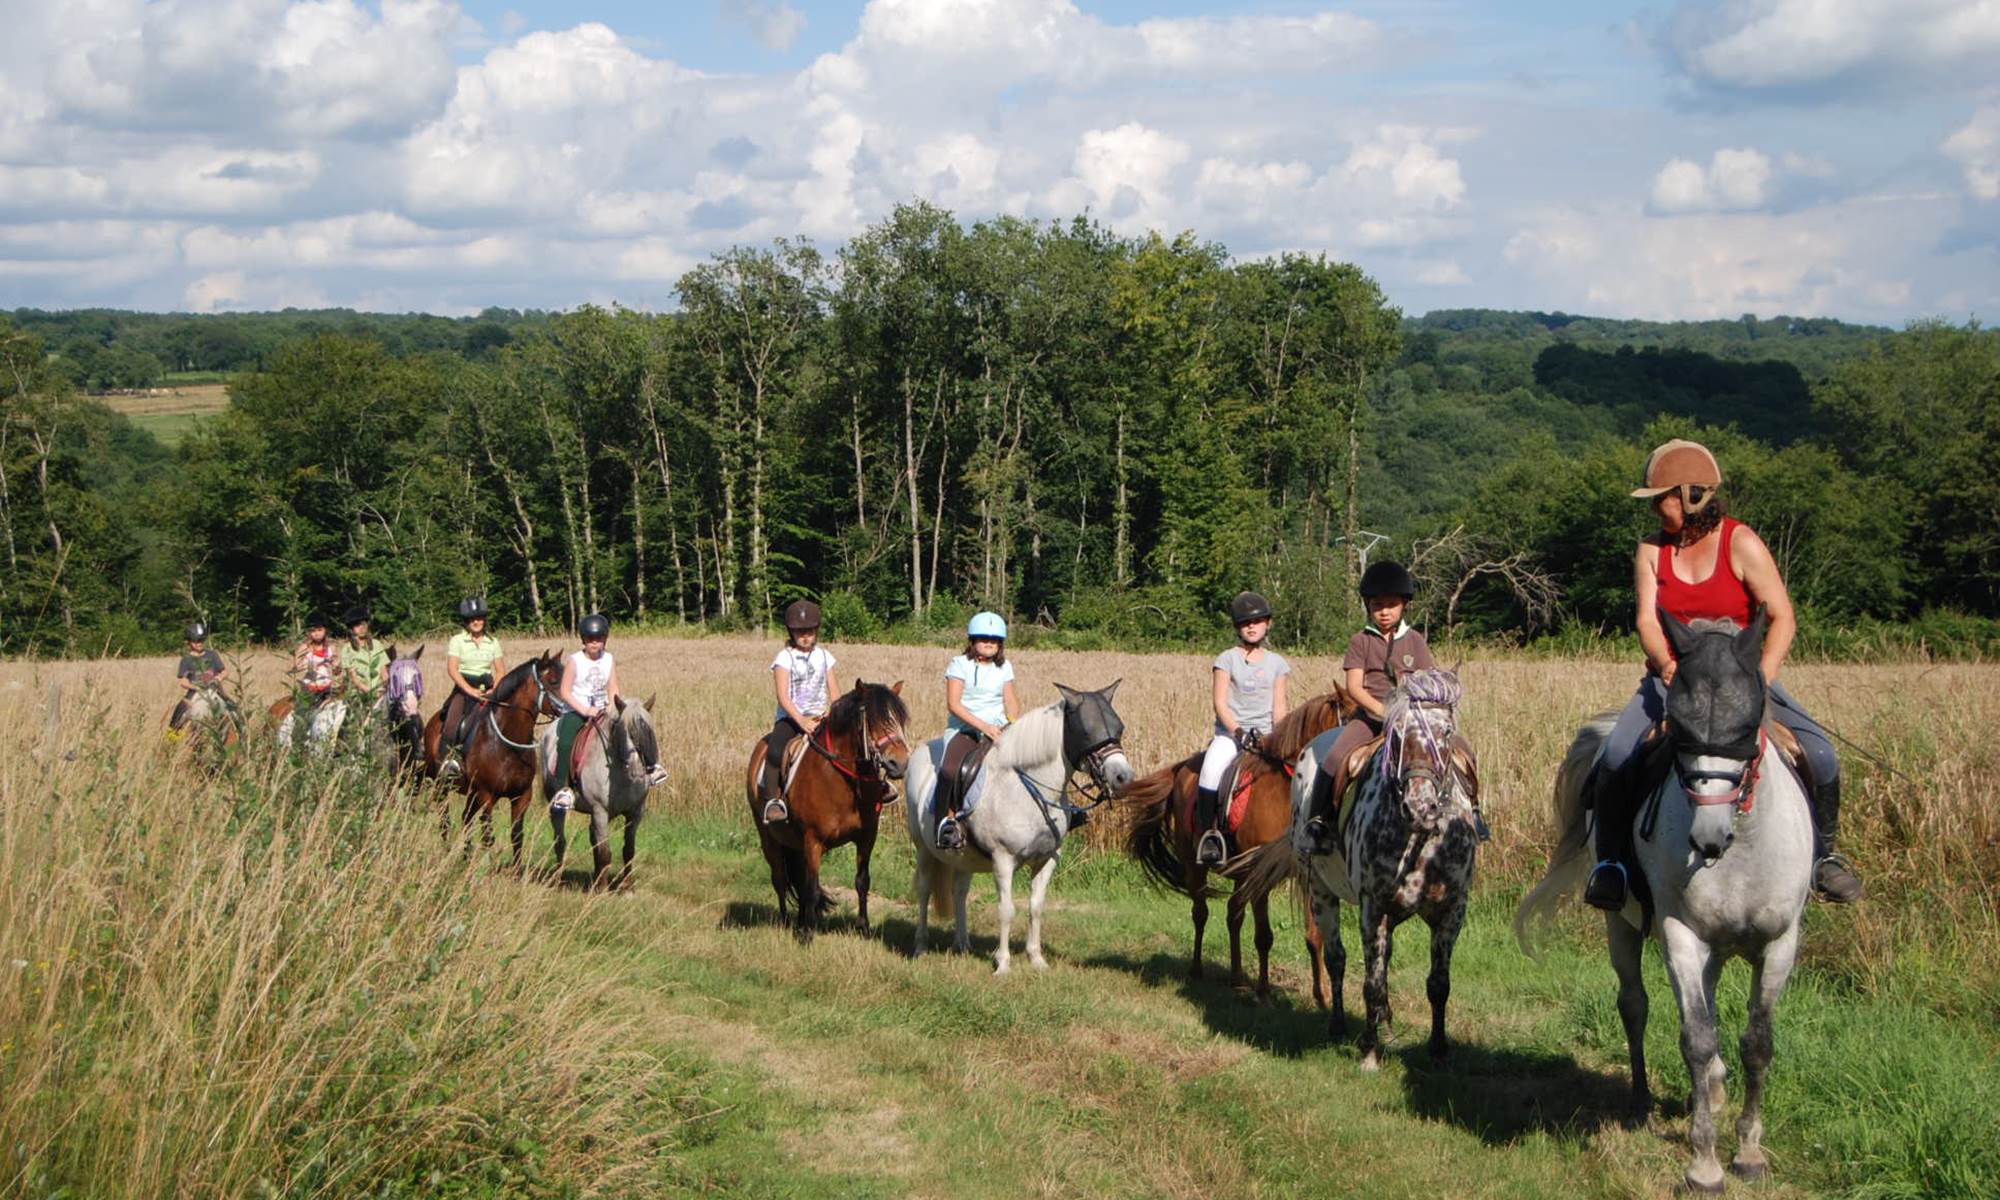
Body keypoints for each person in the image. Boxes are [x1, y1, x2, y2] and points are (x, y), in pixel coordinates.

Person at [1583, 438, 1863, 909]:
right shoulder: (1650, 550)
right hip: (1673, 682)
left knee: (1821, 754)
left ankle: (1825, 858)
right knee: (1614, 756)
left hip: (1742, 682)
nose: (1655, 509)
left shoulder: (1741, 542)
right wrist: (1667, 664)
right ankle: (1612, 865)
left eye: (1662, 498)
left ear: (1691, 496)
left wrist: (1761, 679)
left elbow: (1783, 617)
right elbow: (1647, 620)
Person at [1302, 562, 1438, 852]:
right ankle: (1319, 821)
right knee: (1334, 757)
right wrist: (1384, 711)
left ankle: (1470, 813)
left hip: (1412, 721)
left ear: (1404, 605)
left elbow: (1428, 680)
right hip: (1371, 719)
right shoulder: (1360, 641)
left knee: (1456, 750)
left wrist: (1414, 712)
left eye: (1391, 605)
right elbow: (1353, 687)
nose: (1384, 612)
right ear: (1368, 606)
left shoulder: (1416, 641)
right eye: (1377, 606)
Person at [1195, 591, 1291, 866]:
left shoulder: (1278, 664)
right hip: (1231, 736)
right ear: (1237, 627)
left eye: (1257, 621)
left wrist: (1279, 736)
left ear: (1268, 623)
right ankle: (1210, 836)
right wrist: (1238, 732)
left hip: (1266, 736)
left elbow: (1279, 707)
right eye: (1245, 622)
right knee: (1211, 770)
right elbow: (1220, 703)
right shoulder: (1227, 659)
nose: (1251, 626)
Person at [933, 611, 1022, 850]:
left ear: (1000, 643)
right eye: (983, 638)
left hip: (998, 730)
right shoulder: (959, 664)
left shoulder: (1005, 667)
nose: (989, 643)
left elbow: (1011, 700)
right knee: (950, 770)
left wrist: (1013, 722)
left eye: (994, 639)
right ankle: (946, 823)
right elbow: (954, 704)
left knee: (1031, 759)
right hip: (965, 730)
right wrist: (984, 727)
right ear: (973, 640)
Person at [759, 600, 838, 824]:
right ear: (791, 632)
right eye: (799, 632)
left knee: (850, 742)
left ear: (816, 631)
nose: (805, 636)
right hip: (792, 718)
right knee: (775, 750)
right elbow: (782, 696)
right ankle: (772, 800)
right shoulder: (784, 657)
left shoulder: (825, 656)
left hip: (821, 716)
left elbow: (835, 692)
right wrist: (801, 721)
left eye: (809, 631)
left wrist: (831, 713)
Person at [549, 613, 622, 814]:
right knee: (565, 742)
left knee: (628, 731)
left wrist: (612, 706)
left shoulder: (608, 659)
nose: (594, 643)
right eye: (590, 639)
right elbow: (565, 691)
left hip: (603, 710)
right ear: (583, 640)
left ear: (605, 639)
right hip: (577, 711)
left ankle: (646, 771)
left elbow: (613, 686)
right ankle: (563, 788)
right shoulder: (575, 661)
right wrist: (585, 710)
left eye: (599, 639)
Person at [440, 597, 505, 773]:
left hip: (488, 688)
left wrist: (493, 690)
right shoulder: (457, 641)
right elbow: (452, 669)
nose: (476, 622)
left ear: (484, 619)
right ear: (466, 621)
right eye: (471, 619)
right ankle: (449, 760)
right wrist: (470, 690)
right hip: (464, 688)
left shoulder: (493, 642)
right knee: (452, 722)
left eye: (479, 618)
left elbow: (500, 670)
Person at [170, 620, 233, 729]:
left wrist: (218, 678)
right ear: (189, 642)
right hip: (195, 693)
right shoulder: (186, 659)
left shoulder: (212, 655)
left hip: (214, 690)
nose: (199, 643)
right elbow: (183, 681)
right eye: (195, 641)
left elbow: (224, 671)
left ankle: (242, 734)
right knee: (178, 714)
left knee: (235, 711)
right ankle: (172, 735)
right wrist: (196, 687)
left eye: (201, 640)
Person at [341, 605, 390, 708]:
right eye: (357, 625)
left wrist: (384, 688)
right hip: (359, 695)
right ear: (351, 628)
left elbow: (384, 672)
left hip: (379, 692)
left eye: (364, 624)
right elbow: (353, 678)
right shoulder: (347, 649)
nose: (362, 628)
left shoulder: (377, 644)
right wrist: (370, 692)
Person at [293, 613, 341, 711]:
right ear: (309, 632)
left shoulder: (331, 648)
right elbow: (295, 668)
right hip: (309, 688)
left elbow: (337, 671)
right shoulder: (304, 647)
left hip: (327, 688)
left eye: (319, 630)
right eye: (313, 631)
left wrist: (336, 668)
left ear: (325, 630)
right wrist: (309, 666)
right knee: (305, 713)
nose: (316, 633)